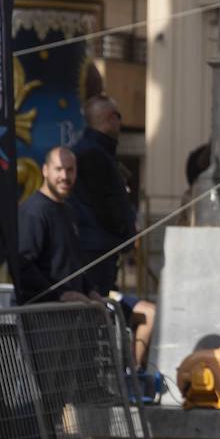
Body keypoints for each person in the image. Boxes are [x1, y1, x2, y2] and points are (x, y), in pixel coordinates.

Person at [69, 95, 135, 294]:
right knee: (95, 306)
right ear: (109, 119)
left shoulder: (94, 151)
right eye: (118, 116)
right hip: (96, 248)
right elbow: (105, 204)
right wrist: (125, 231)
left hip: (94, 245)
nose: (120, 123)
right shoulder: (94, 155)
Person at [17, 147, 87, 304]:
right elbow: (23, 266)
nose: (64, 176)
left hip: (70, 313)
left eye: (70, 170)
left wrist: (90, 290)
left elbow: (72, 263)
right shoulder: (33, 211)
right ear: (45, 170)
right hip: (42, 316)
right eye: (59, 169)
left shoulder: (69, 210)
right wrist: (59, 295)